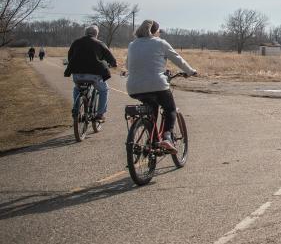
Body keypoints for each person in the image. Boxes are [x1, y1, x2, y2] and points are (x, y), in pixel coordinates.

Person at [126, 19, 197, 153]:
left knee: (152, 107)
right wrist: (190, 71)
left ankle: (152, 141)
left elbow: (127, 66)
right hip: (157, 85)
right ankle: (167, 137)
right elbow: (178, 59)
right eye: (159, 31)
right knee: (170, 109)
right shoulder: (160, 43)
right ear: (155, 32)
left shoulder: (132, 44)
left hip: (133, 87)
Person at [64, 26, 117, 122]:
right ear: (96, 34)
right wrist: (113, 64)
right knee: (104, 90)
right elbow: (111, 58)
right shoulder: (99, 43)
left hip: (77, 74)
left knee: (77, 88)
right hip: (94, 75)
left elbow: (70, 56)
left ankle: (76, 110)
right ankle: (100, 114)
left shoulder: (76, 42)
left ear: (85, 33)